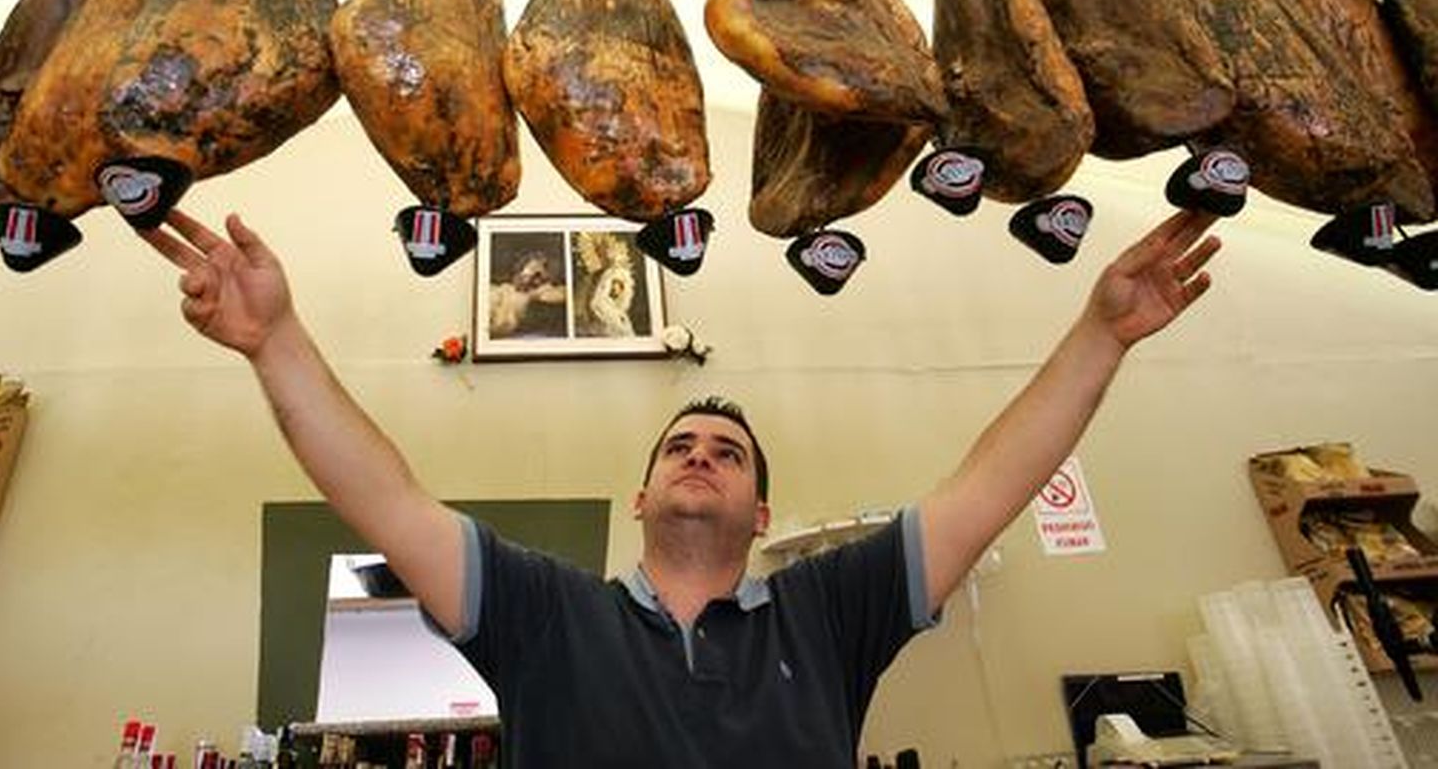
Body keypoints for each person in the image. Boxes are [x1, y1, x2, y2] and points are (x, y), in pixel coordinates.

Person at [142, 208, 1222, 768]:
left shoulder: (831, 610)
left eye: (728, 451)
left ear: (760, 516)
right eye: (679, 445)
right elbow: (388, 500)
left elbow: (990, 483)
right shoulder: (545, 614)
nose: (701, 452)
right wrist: (274, 341)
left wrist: (1099, 335)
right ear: (639, 499)